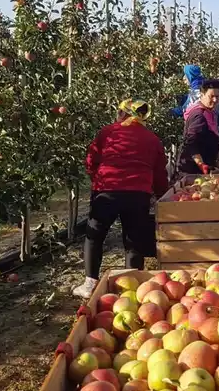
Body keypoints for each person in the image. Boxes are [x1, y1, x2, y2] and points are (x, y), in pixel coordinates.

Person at [73, 100, 169, 298]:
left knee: (95, 235)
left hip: (107, 190)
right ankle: (131, 286)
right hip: (138, 194)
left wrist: (97, 181)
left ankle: (90, 283)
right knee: (133, 240)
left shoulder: (107, 132)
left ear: (121, 113)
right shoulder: (152, 139)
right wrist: (161, 194)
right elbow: (160, 172)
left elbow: (91, 160)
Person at [178, 79, 219, 175]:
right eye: (211, 96)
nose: (215, 100)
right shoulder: (199, 115)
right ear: (202, 95)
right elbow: (191, 142)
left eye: (217, 96)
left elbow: (209, 132)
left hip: (202, 169)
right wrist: (201, 164)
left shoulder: (209, 112)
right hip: (193, 171)